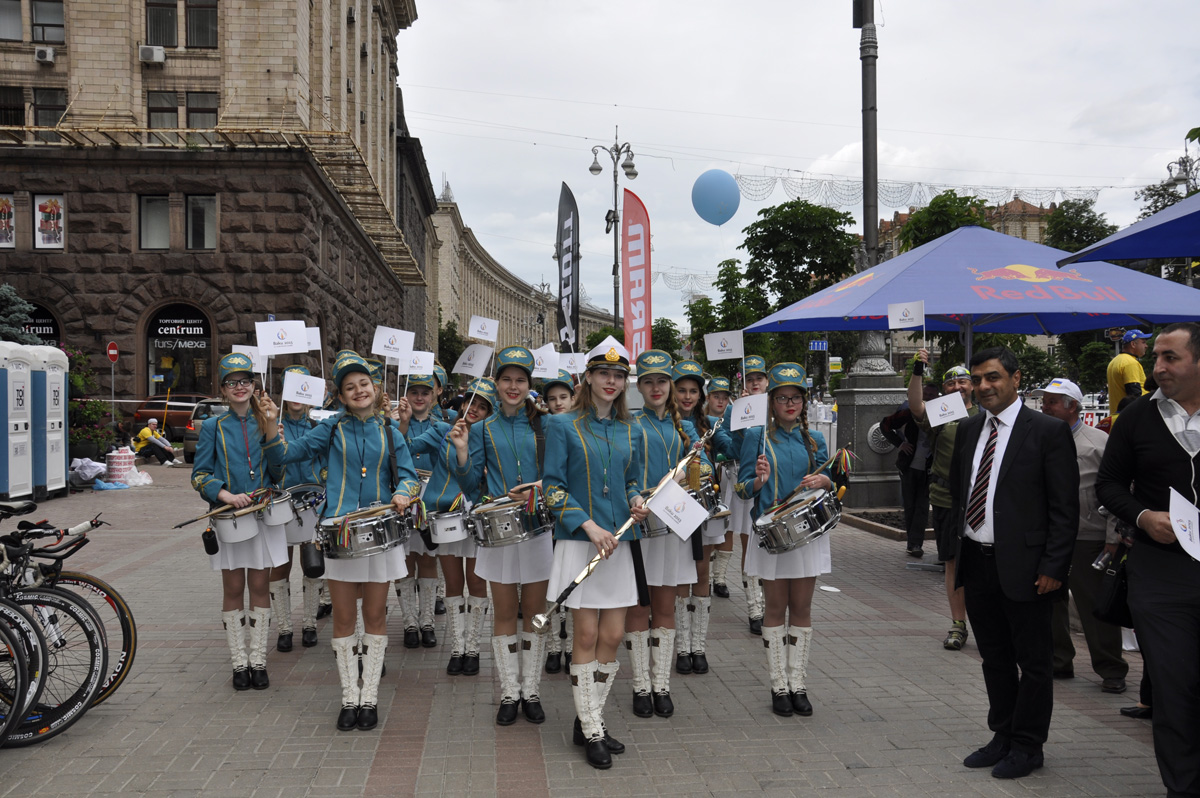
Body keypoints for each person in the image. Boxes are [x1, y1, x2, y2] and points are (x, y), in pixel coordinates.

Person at [260, 351, 421, 732]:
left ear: (375, 387)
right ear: (342, 395)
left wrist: (403, 492)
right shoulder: (330, 428)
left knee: (376, 615)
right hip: (340, 532)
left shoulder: (390, 431)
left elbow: (410, 476)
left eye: (363, 383)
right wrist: (269, 425)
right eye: (350, 387)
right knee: (345, 617)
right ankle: (350, 696)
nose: (358, 390)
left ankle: (370, 698)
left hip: (380, 531)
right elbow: (284, 455)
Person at [949, 346, 1078, 780]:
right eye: (977, 379)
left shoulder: (1046, 431)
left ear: (1016, 378)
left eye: (993, 377)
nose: (983, 386)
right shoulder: (970, 429)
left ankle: (1028, 745)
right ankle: (1002, 735)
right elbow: (961, 493)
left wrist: (1054, 567)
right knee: (994, 659)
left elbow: (1065, 509)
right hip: (978, 563)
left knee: (1035, 663)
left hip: (1029, 569)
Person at [1096, 322, 1200, 798]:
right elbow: (1108, 484)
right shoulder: (1137, 416)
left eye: (1170, 358)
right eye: (1156, 357)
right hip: (1160, 574)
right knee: (1174, 688)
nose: (1157, 367)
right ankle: (1182, 787)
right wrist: (1142, 516)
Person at [542, 336, 648, 769]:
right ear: (587, 377)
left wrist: (637, 499)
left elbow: (630, 480)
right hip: (580, 541)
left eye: (618, 375)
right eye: (603, 373)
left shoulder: (631, 428)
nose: (611, 381)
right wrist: (588, 525)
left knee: (613, 636)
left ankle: (589, 717)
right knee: (585, 637)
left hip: (618, 543)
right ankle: (592, 728)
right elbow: (552, 488)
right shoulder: (562, 425)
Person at [459, 345, 552, 726]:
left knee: (535, 612)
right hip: (499, 530)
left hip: (538, 528)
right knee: (504, 613)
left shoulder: (545, 426)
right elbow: (470, 483)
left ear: (530, 385)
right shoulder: (482, 429)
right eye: (507, 379)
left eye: (521, 380)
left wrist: (540, 487)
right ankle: (509, 692)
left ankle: (532, 690)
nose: (513, 387)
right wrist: (462, 452)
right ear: (495, 384)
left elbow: (560, 474)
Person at [736, 362, 833, 718]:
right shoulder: (756, 436)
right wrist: (758, 480)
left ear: (804, 402)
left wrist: (825, 481)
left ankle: (798, 684)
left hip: (807, 533)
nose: (790, 404)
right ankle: (778, 685)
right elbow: (742, 488)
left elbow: (831, 482)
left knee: (802, 609)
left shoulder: (814, 439)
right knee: (776, 609)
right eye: (782, 398)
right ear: (771, 402)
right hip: (773, 535)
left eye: (796, 398)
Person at [191, 353, 285, 691]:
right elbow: (199, 475)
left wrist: (272, 430)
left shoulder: (267, 421)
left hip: (261, 517)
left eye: (245, 381)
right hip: (229, 518)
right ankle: (238, 663)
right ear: (222, 390)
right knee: (233, 589)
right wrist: (225, 495)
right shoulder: (212, 427)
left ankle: (258, 660)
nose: (239, 387)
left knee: (260, 586)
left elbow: (279, 471)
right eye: (232, 383)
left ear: (254, 385)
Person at [1033, 377, 1128, 692]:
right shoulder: (1038, 439)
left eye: (1052, 402)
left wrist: (1113, 538)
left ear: (1072, 406)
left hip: (1088, 537)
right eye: (1044, 401)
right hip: (1048, 536)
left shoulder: (1097, 443)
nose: (1045, 407)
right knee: (1049, 601)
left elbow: (1116, 492)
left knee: (1093, 605)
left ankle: (1111, 668)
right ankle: (1058, 661)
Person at [624, 351, 705, 718]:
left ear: (669, 385)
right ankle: (641, 685)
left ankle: (661, 684)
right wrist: (635, 496)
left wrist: (689, 468)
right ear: (639, 386)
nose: (656, 388)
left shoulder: (684, 427)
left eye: (662, 381)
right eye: (648, 381)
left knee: (665, 605)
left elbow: (701, 471)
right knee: (639, 606)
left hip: (673, 524)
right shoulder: (630, 423)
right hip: (640, 522)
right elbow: (624, 472)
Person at [403, 376, 494, 676]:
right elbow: (405, 446)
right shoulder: (442, 431)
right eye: (470, 402)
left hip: (477, 515)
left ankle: (474, 649)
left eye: (482, 406)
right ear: (462, 403)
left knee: (476, 582)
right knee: (453, 583)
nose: (474, 409)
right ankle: (457, 648)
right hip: (446, 517)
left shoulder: (490, 437)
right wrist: (402, 422)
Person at [907, 352, 977, 650]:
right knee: (952, 562)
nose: (957, 387)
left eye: (963, 382)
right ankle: (958, 624)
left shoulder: (986, 412)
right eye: (951, 383)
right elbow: (916, 406)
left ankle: (988, 623)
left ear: (972, 386)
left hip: (981, 500)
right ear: (944, 389)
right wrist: (917, 370)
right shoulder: (944, 412)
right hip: (947, 498)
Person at [672, 361, 731, 677]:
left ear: (700, 395)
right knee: (682, 574)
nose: (687, 396)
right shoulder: (665, 422)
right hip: (676, 507)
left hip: (706, 505)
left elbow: (731, 449)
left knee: (701, 572)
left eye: (693, 391)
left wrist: (745, 424)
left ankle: (699, 647)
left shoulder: (708, 423)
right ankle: (682, 648)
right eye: (681, 390)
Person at [267, 365, 328, 653]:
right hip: (282, 501)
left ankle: (309, 624)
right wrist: (272, 440)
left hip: (312, 502)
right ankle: (284, 628)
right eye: (291, 388)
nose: (296, 395)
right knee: (280, 564)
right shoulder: (271, 425)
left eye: (302, 388)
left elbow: (327, 465)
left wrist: (324, 482)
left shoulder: (318, 427)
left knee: (312, 563)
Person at [393, 373, 443, 650]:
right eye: (414, 392)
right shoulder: (395, 423)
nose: (420, 397)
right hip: (402, 496)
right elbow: (391, 453)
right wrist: (401, 423)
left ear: (434, 395)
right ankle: (409, 622)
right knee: (405, 559)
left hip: (430, 497)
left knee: (427, 558)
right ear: (406, 395)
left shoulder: (442, 425)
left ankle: (427, 622)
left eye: (425, 392)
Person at [539, 369, 577, 673]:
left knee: (574, 584)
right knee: (553, 584)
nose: (558, 403)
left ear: (574, 398)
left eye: (563, 397)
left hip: (574, 514)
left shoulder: (582, 426)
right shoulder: (541, 427)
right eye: (552, 399)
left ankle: (573, 646)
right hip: (545, 513)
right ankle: (554, 646)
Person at [730, 355, 770, 635]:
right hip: (750, 483)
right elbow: (733, 447)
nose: (755, 382)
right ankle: (755, 608)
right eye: (750, 378)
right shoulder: (738, 408)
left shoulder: (776, 405)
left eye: (759, 378)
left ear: (767, 381)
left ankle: (771, 605)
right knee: (750, 547)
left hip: (774, 489)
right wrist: (741, 416)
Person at [880, 385, 938, 557]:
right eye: (925, 394)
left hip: (929, 468)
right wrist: (900, 444)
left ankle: (915, 544)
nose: (928, 398)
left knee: (922, 506)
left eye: (932, 395)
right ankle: (912, 543)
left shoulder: (941, 414)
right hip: (909, 466)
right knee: (910, 505)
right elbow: (885, 425)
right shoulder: (908, 412)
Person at [704, 376, 735, 598]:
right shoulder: (701, 420)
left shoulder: (733, 420)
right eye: (716, 396)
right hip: (706, 478)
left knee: (727, 525)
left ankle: (720, 578)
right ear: (708, 397)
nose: (721, 401)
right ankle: (704, 577)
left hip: (728, 476)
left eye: (725, 397)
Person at [1107, 329, 1151, 420]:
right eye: (1143, 342)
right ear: (1133, 344)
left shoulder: (1114, 361)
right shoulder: (1130, 363)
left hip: (1116, 416)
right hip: (1130, 417)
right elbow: (1134, 394)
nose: (1146, 346)